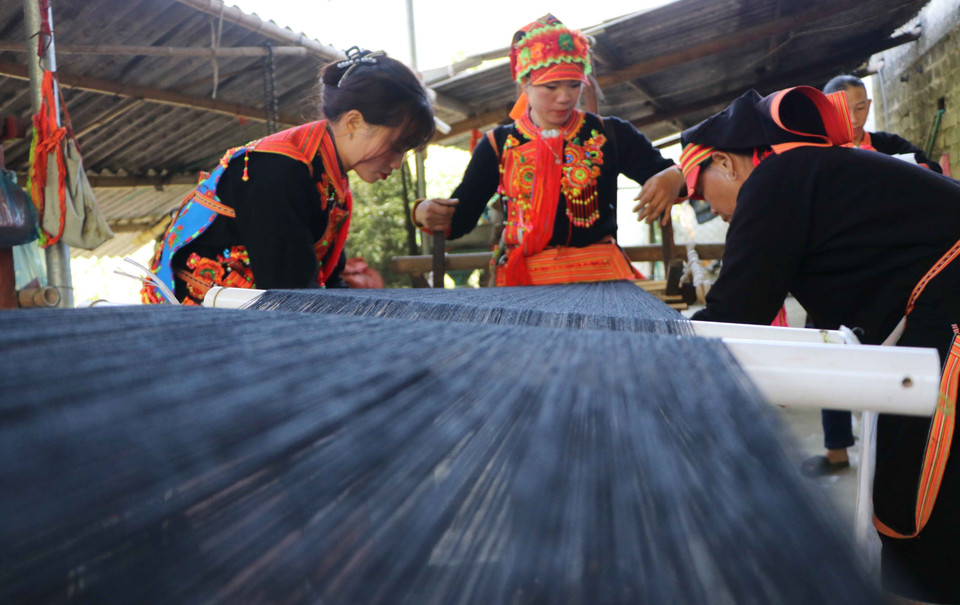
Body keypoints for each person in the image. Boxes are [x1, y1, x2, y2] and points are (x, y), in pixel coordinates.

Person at [680, 85, 960, 603]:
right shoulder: (806, 169)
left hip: (953, 307)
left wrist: (656, 341)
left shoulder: (774, 179)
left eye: (701, 193)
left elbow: (736, 311)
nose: (710, 210)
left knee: (925, 486)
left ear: (726, 161)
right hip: (944, 304)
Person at [142, 47, 434, 305]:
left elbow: (322, 280)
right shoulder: (278, 169)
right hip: (197, 318)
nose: (397, 163)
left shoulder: (329, 175)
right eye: (397, 147)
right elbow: (293, 294)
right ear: (354, 122)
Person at [412, 14, 685, 286]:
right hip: (525, 282)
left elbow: (676, 178)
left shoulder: (611, 134)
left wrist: (674, 176)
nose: (565, 97)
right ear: (525, 84)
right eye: (551, 86)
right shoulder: (498, 144)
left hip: (599, 277)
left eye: (574, 84)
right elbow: (459, 221)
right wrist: (424, 212)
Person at [804, 74, 942, 477]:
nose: (857, 115)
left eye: (863, 106)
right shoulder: (814, 154)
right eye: (847, 108)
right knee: (830, 352)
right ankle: (836, 450)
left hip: (886, 273)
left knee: (888, 354)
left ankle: (899, 446)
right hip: (834, 273)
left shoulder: (886, 146)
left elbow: (927, 170)